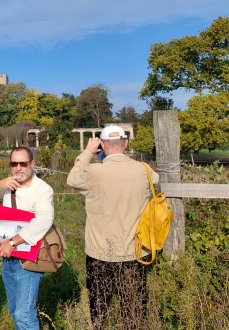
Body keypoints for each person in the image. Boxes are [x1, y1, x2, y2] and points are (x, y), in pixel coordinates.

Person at [66, 125, 159, 329]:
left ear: (103, 145)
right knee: (134, 310)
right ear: (126, 144)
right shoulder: (144, 170)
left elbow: (72, 179)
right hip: (135, 251)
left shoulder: (93, 172)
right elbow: (156, 180)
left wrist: (87, 153)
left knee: (99, 309)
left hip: (99, 251)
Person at [0, 146, 54, 330]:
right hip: (8, 258)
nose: (18, 168)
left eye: (23, 163)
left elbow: (44, 221)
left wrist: (12, 242)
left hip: (28, 259)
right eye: (14, 163)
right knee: (15, 311)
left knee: (24, 315)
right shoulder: (10, 185)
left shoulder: (43, 189)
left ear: (32, 164)